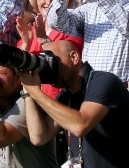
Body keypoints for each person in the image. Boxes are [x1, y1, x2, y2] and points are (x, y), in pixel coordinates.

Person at [20, 39, 129, 168]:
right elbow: (39, 136)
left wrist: (36, 93)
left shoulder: (103, 81)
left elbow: (80, 125)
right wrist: (28, 93)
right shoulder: (66, 95)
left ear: (74, 57)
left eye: (53, 62)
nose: (49, 69)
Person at [49, 0, 129, 82]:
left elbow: (126, 26)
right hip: (89, 88)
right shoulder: (89, 9)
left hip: (120, 92)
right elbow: (57, 23)